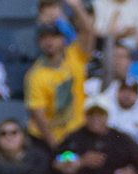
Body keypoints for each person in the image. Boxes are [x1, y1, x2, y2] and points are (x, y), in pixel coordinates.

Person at [25, 1, 95, 151]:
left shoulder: (75, 55)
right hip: (47, 139)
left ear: (63, 39)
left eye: (54, 36)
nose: (49, 41)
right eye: (44, 37)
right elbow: (39, 117)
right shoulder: (36, 74)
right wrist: (57, 149)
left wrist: (76, 6)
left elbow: (89, 32)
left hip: (77, 132)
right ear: (39, 42)